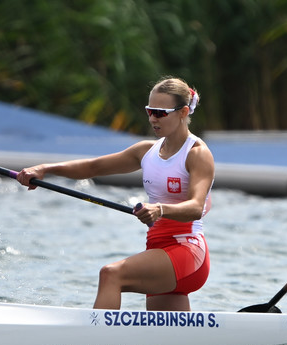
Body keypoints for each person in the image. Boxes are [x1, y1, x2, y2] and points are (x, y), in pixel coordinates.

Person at [16, 76, 215, 311]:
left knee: (111, 274)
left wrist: (159, 209)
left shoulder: (197, 154)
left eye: (160, 113)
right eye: (149, 111)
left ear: (182, 112)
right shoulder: (145, 151)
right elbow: (93, 167)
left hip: (187, 251)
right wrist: (45, 169)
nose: (152, 118)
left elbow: (195, 208)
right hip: (158, 250)